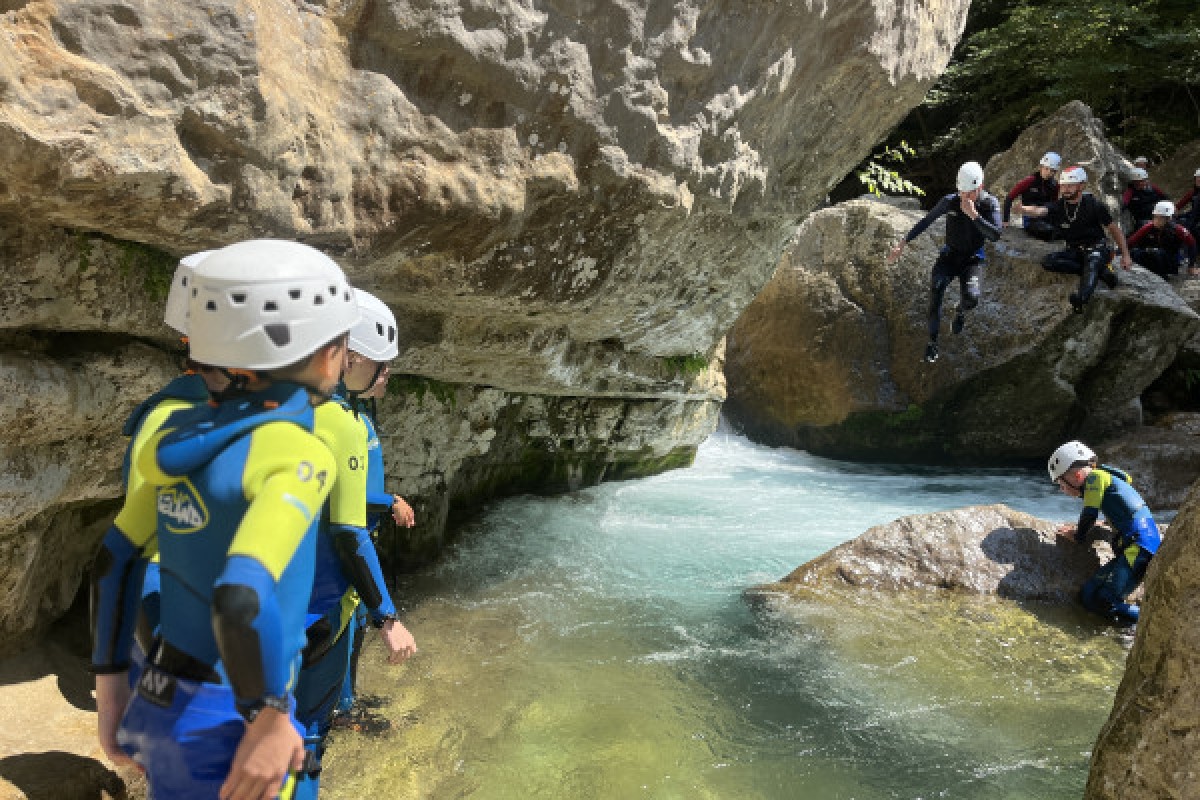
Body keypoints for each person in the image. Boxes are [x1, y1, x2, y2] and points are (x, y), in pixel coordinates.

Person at [91, 239, 360, 800]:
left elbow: (114, 559)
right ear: (322, 354)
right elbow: (240, 595)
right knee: (300, 783)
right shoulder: (296, 453)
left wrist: (112, 688)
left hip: (162, 695)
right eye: (342, 344)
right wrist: (267, 717)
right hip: (236, 718)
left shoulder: (174, 437)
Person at [292, 288, 417, 799]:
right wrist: (388, 616)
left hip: (263, 608)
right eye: (380, 365)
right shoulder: (340, 422)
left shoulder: (269, 406)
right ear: (352, 356)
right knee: (305, 738)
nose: (385, 375)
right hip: (321, 605)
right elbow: (346, 532)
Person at [886, 161, 1002, 363]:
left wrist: (974, 215)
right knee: (937, 288)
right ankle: (932, 342)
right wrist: (903, 243)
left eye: (968, 193)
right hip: (950, 256)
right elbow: (926, 220)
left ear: (980, 188)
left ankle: (960, 311)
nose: (963, 197)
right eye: (961, 192)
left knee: (972, 298)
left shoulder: (989, 204)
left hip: (973, 259)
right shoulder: (950, 201)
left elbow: (995, 235)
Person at [1047, 440, 1161, 625]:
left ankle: (1153, 623)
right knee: (1089, 594)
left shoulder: (1094, 478)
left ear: (1076, 476)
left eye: (1061, 483)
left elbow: (1089, 514)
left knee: (1105, 600)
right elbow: (1122, 503)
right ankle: (1128, 627)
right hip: (1136, 546)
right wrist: (1108, 521)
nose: (1062, 490)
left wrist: (1077, 535)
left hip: (1140, 546)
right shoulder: (1106, 477)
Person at [1017, 166, 1133, 312]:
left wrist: (1126, 255)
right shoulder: (1060, 206)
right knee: (1048, 261)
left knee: (1092, 262)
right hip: (1075, 251)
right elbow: (1041, 210)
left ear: (1081, 185)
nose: (1065, 189)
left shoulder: (1093, 205)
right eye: (1063, 185)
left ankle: (1081, 298)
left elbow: (1115, 230)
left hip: (1097, 248)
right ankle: (1102, 272)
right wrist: (1025, 209)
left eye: (1070, 185)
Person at [1128, 201, 1197, 278]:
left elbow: (1192, 244)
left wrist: (1191, 266)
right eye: (1155, 217)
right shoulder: (1148, 227)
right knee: (1135, 252)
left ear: (1169, 218)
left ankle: (1162, 275)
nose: (1157, 220)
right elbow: (1131, 241)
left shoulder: (1179, 230)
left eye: (1161, 218)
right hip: (1155, 257)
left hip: (1170, 261)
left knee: (1157, 253)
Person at [1002, 151, 1061, 240]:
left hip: (1046, 216)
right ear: (1041, 167)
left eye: (1052, 171)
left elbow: (1054, 205)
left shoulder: (1054, 185)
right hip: (1030, 219)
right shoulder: (1029, 181)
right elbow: (1009, 198)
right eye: (1046, 169)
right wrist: (1005, 220)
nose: (1048, 172)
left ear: (1055, 172)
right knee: (1047, 231)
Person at [1121, 166, 1169, 232]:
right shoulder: (1130, 192)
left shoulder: (1152, 188)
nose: (1144, 183)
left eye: (1144, 180)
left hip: (1160, 215)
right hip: (1144, 220)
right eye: (1141, 181)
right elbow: (1125, 202)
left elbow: (1165, 197)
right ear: (1134, 182)